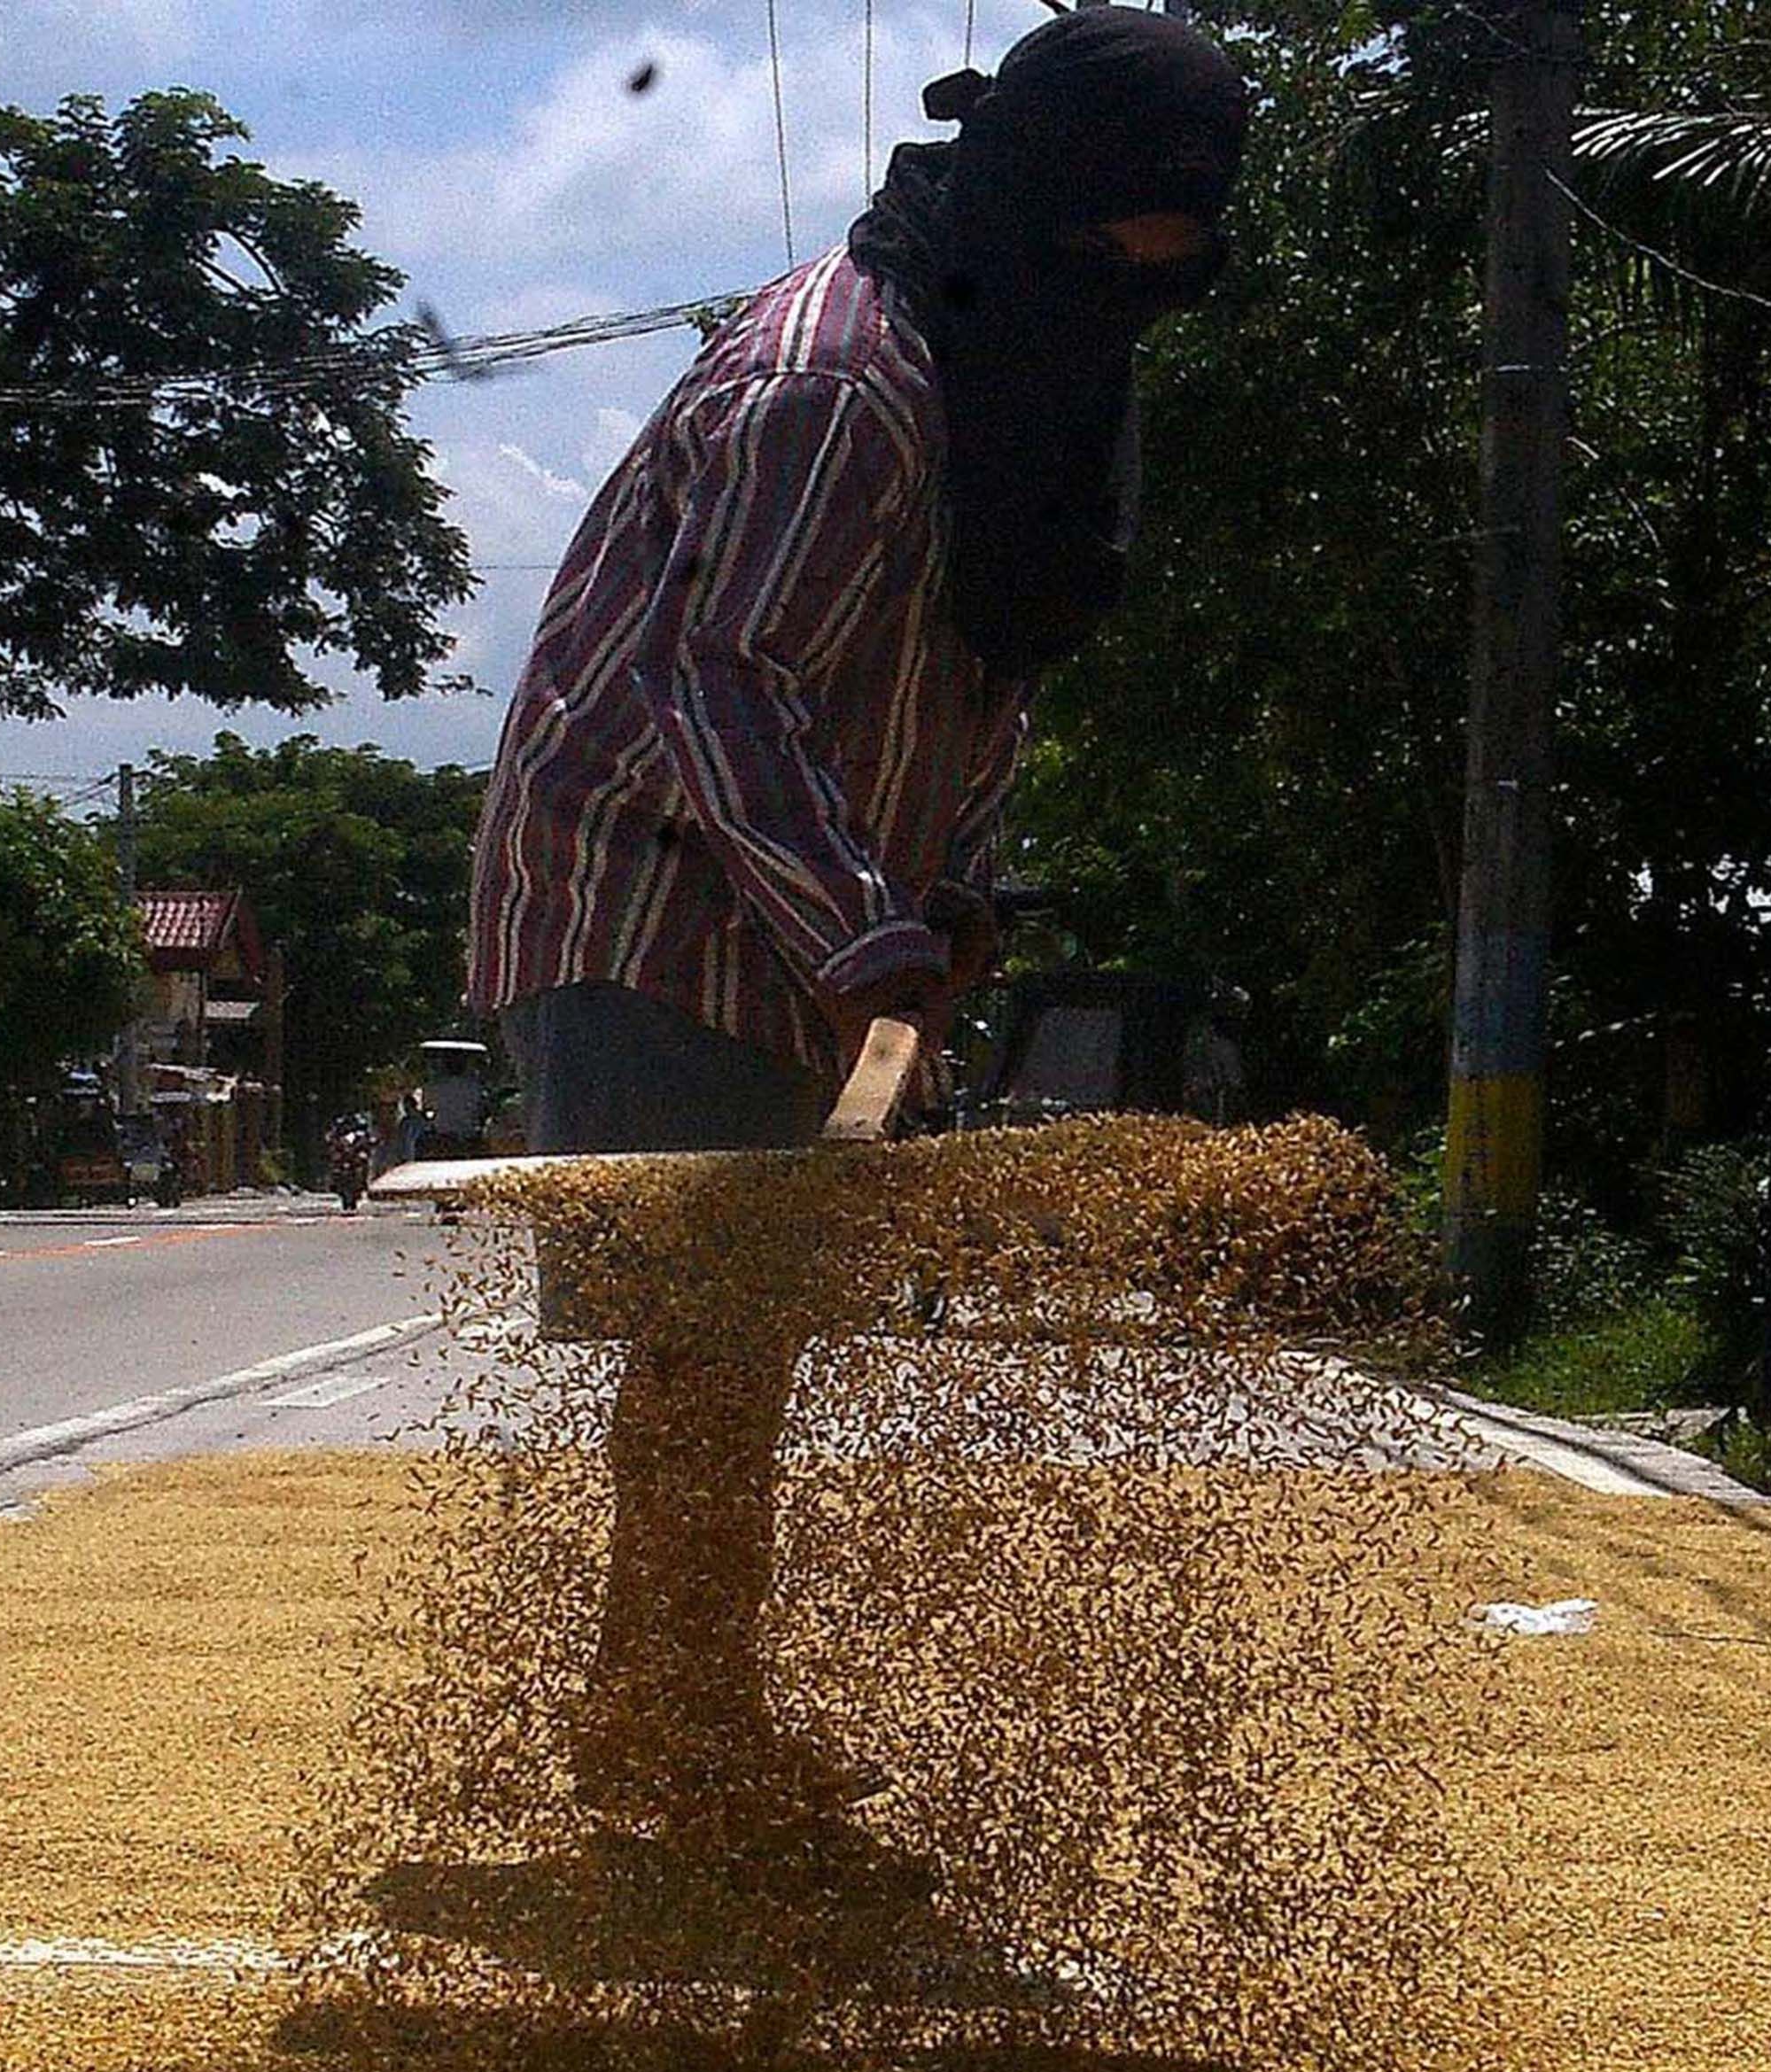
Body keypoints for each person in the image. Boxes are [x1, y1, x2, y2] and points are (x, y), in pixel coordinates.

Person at [460, 12, 1253, 1874]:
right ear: (1036, 206)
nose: (1129, 302)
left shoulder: (1032, 390)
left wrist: (950, 897)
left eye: (1170, 273)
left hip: (819, 914)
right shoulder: (838, 384)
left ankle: (678, 1717)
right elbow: (714, 684)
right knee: (705, 1343)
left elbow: (982, 677)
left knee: (749, 1345)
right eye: (1107, 260)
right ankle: (664, 1751)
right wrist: (863, 937)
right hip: (649, 900)